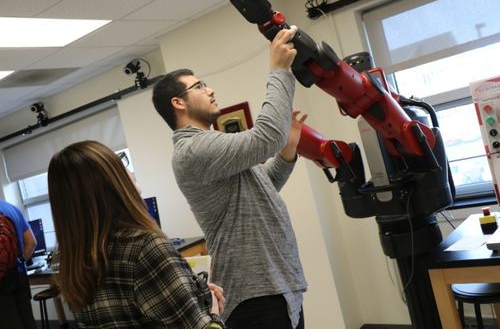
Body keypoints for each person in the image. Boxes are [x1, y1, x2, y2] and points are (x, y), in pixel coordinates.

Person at [152, 26, 308, 329]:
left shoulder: (212, 145)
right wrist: (278, 70)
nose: (210, 90)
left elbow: (264, 187)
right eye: (199, 86)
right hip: (255, 297)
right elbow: (267, 136)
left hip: (277, 288)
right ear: (178, 103)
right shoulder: (193, 149)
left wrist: (287, 151)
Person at [47, 140, 225, 328]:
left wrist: (192, 296)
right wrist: (212, 309)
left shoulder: (69, 261)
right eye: (120, 168)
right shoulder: (145, 248)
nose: (130, 173)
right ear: (114, 184)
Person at [0, 198, 38, 329]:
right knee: (28, 321)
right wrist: (20, 262)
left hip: (2, 283)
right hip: (20, 276)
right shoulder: (12, 208)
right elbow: (32, 242)